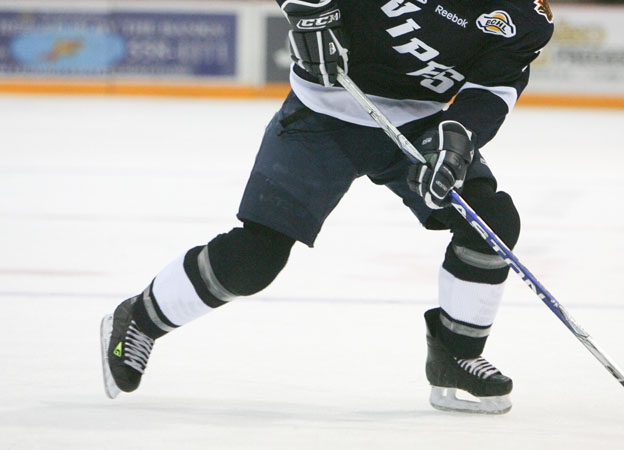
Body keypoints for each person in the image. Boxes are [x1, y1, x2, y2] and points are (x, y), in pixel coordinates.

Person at [100, 0, 554, 415]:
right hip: (323, 112)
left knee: (490, 222)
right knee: (256, 258)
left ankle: (456, 355)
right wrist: (309, 11)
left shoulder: (526, 17)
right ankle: (139, 318)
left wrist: (457, 137)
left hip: (420, 124)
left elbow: (493, 87)